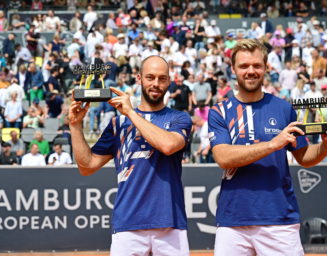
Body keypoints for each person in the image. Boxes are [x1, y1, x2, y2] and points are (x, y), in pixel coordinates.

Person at [208, 39, 327, 256]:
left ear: (266, 67)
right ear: (233, 69)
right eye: (244, 66)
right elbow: (223, 157)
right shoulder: (219, 111)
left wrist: (325, 146)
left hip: (279, 219)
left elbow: (304, 156)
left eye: (256, 65)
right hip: (233, 221)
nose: (250, 71)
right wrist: (273, 144)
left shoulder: (283, 108)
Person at [69, 55, 192, 255]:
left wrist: (132, 113)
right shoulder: (118, 124)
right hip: (128, 223)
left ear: (169, 81)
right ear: (139, 79)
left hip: (170, 222)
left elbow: (168, 145)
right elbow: (87, 166)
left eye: (162, 79)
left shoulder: (179, 118)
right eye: (150, 77)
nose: (156, 84)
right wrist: (75, 125)